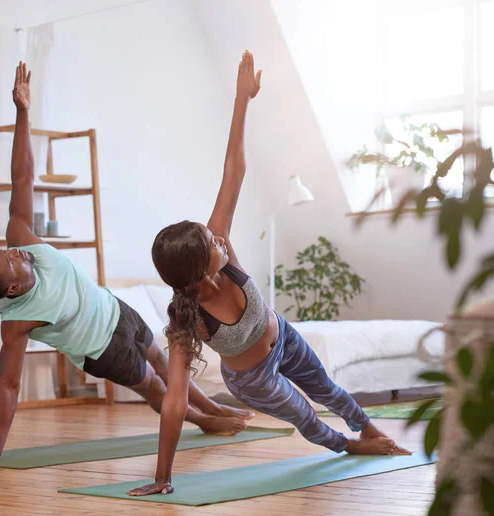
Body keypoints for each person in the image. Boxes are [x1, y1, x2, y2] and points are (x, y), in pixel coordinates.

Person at [128, 50, 411, 497]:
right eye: (212, 244)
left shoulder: (222, 252)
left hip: (285, 337)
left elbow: (233, 172)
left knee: (331, 391)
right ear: (197, 270)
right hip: (255, 378)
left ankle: (370, 429)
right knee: (307, 417)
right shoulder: (188, 320)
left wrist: (242, 101)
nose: (220, 240)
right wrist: (162, 476)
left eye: (215, 236)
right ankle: (347, 448)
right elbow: (175, 401)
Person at [0, 62, 253, 465]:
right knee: (150, 385)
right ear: (11, 289)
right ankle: (201, 421)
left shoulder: (22, 235)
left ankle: (215, 409)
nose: (16, 252)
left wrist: (22, 112)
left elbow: (22, 175)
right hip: (101, 349)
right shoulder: (17, 321)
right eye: (11, 261)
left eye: (7, 251)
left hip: (114, 309)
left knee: (163, 362)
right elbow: (8, 384)